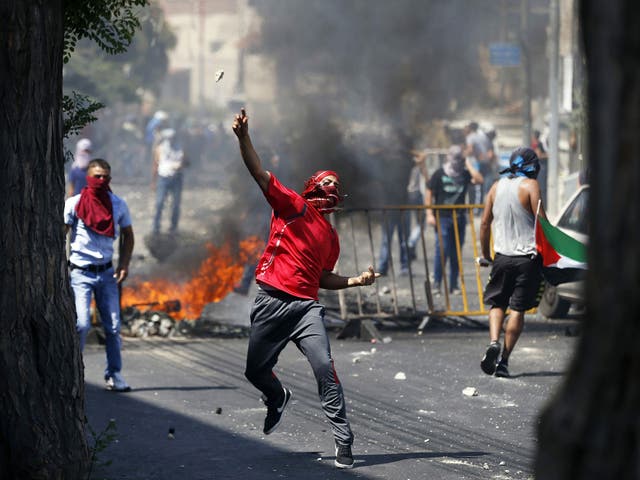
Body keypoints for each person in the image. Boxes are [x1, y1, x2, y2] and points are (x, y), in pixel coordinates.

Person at [232, 108, 379, 469]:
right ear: (314, 185)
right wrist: (244, 138)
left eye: (336, 184)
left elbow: (322, 278)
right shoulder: (292, 206)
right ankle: (277, 395)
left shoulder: (331, 237)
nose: (333, 187)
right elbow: (258, 172)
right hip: (271, 301)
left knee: (324, 368)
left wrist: (354, 281)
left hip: (305, 309)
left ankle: (343, 442)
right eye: (328, 182)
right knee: (255, 371)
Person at [64, 159, 135, 392]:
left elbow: (128, 235)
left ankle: (114, 374)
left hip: (106, 274)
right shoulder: (74, 204)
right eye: (97, 177)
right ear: (88, 178)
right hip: (80, 274)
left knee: (113, 327)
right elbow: (60, 232)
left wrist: (123, 264)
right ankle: (72, 373)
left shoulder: (117, 205)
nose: (101, 181)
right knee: (81, 324)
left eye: (105, 177)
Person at [477, 147, 545, 378]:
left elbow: (485, 224)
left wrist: (486, 254)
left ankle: (494, 342)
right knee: (517, 310)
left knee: (497, 304)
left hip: (502, 257)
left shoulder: (496, 187)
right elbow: (542, 222)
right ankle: (504, 362)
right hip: (528, 259)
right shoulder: (531, 186)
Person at [426, 145, 483, 295]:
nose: (457, 162)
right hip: (442, 217)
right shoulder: (439, 174)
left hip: (459, 218)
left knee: (456, 252)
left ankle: (454, 285)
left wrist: (468, 164)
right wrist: (429, 214)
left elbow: (479, 179)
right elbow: (429, 191)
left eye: (460, 159)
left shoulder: (464, 174)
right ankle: (437, 283)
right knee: (442, 250)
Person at [152, 128, 188, 234]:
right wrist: (153, 181)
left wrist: (181, 165)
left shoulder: (181, 149)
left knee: (176, 204)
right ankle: (156, 227)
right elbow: (155, 165)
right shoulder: (160, 149)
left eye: (172, 138)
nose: (171, 140)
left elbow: (187, 162)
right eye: (169, 138)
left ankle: (173, 227)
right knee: (159, 203)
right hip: (163, 178)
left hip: (177, 178)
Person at [406, 148, 429, 261]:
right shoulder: (415, 162)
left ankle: (410, 246)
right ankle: (410, 243)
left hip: (407, 196)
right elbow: (422, 155)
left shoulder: (404, 161)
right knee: (421, 224)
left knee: (415, 224)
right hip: (415, 195)